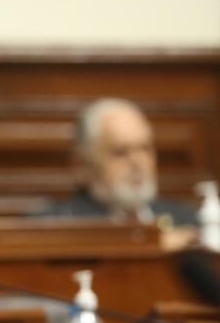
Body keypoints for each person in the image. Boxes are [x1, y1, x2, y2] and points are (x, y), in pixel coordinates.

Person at [44, 98, 196, 229]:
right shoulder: (58, 226)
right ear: (82, 165)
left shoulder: (185, 220)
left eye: (145, 149)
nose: (137, 162)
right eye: (120, 152)